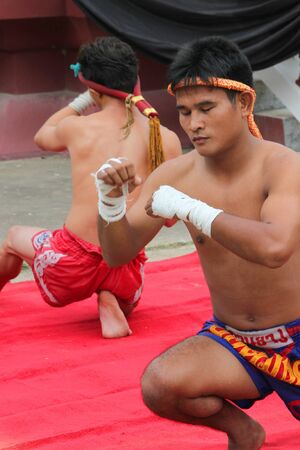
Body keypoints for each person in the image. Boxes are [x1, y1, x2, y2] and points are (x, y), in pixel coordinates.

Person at [96, 36, 300, 448]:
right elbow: (117, 253)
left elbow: (275, 247)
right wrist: (111, 205)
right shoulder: (175, 176)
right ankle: (244, 431)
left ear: (243, 104)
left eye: (207, 108)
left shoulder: (285, 167)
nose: (193, 124)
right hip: (238, 343)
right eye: (185, 111)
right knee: (161, 383)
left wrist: (194, 210)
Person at [0, 36, 181, 338]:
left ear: (93, 89)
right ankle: (111, 297)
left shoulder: (78, 127)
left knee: (11, 237)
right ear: (135, 81)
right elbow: (170, 219)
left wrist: (82, 101)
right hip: (126, 269)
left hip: (69, 266)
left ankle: (101, 288)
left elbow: (42, 136)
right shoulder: (166, 138)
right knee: (122, 269)